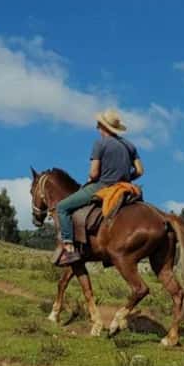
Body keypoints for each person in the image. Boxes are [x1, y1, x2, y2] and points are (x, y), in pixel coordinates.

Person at [52, 109, 143, 265]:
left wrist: (95, 178)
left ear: (103, 127)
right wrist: (126, 178)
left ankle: (69, 249)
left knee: (62, 207)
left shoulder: (100, 144)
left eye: (98, 125)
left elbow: (94, 174)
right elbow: (140, 171)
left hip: (103, 186)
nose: (97, 128)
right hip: (126, 188)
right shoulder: (130, 146)